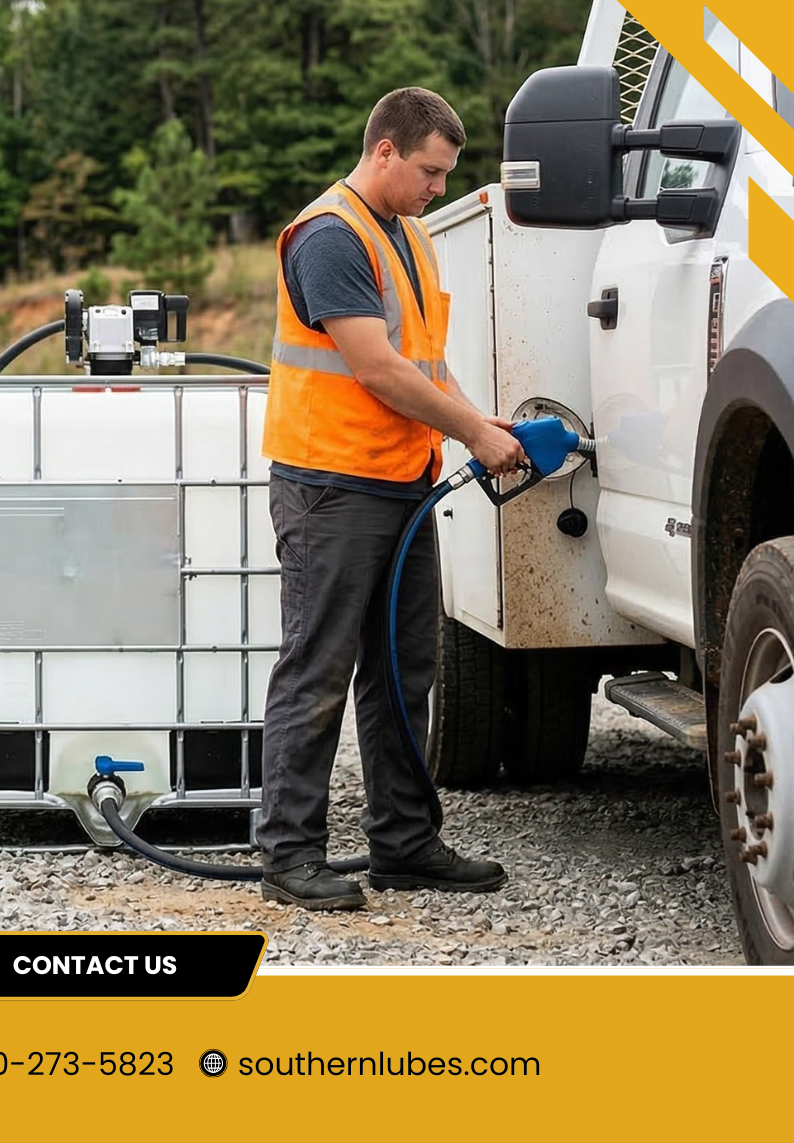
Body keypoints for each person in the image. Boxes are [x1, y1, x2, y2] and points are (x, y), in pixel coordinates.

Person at [256, 87, 525, 911]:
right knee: (319, 667)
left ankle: (403, 842)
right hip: (331, 486)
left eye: (444, 174)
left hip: (402, 481)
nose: (438, 187)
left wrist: (478, 423)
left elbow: (424, 364)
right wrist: (478, 436)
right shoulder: (330, 237)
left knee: (405, 670)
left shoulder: (408, 234)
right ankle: (289, 855)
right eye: (430, 171)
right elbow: (374, 368)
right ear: (384, 152)